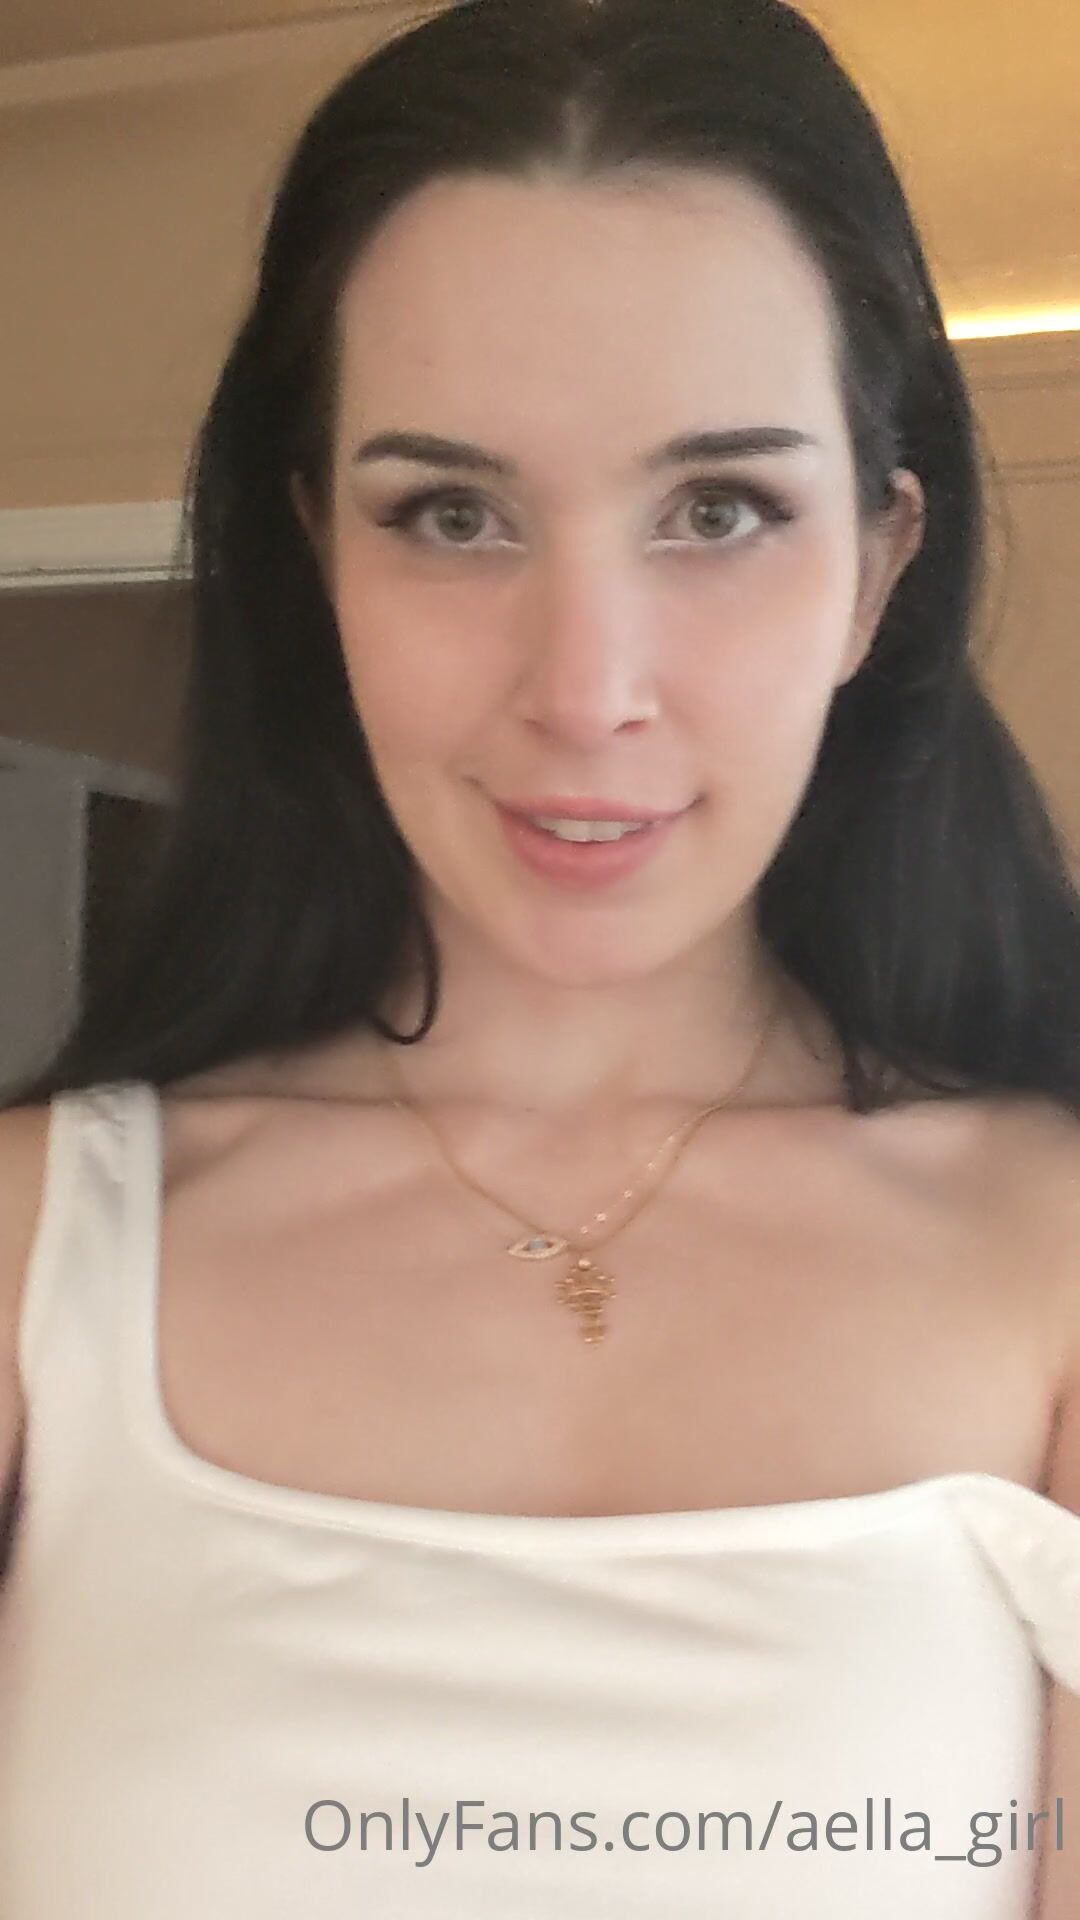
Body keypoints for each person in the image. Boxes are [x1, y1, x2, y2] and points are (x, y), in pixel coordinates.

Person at [1, 0, 1078, 1912]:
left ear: (879, 566)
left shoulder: (1052, 1254)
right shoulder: (35, 1254)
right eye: (454, 515)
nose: (586, 691)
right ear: (318, 551)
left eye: (720, 511)